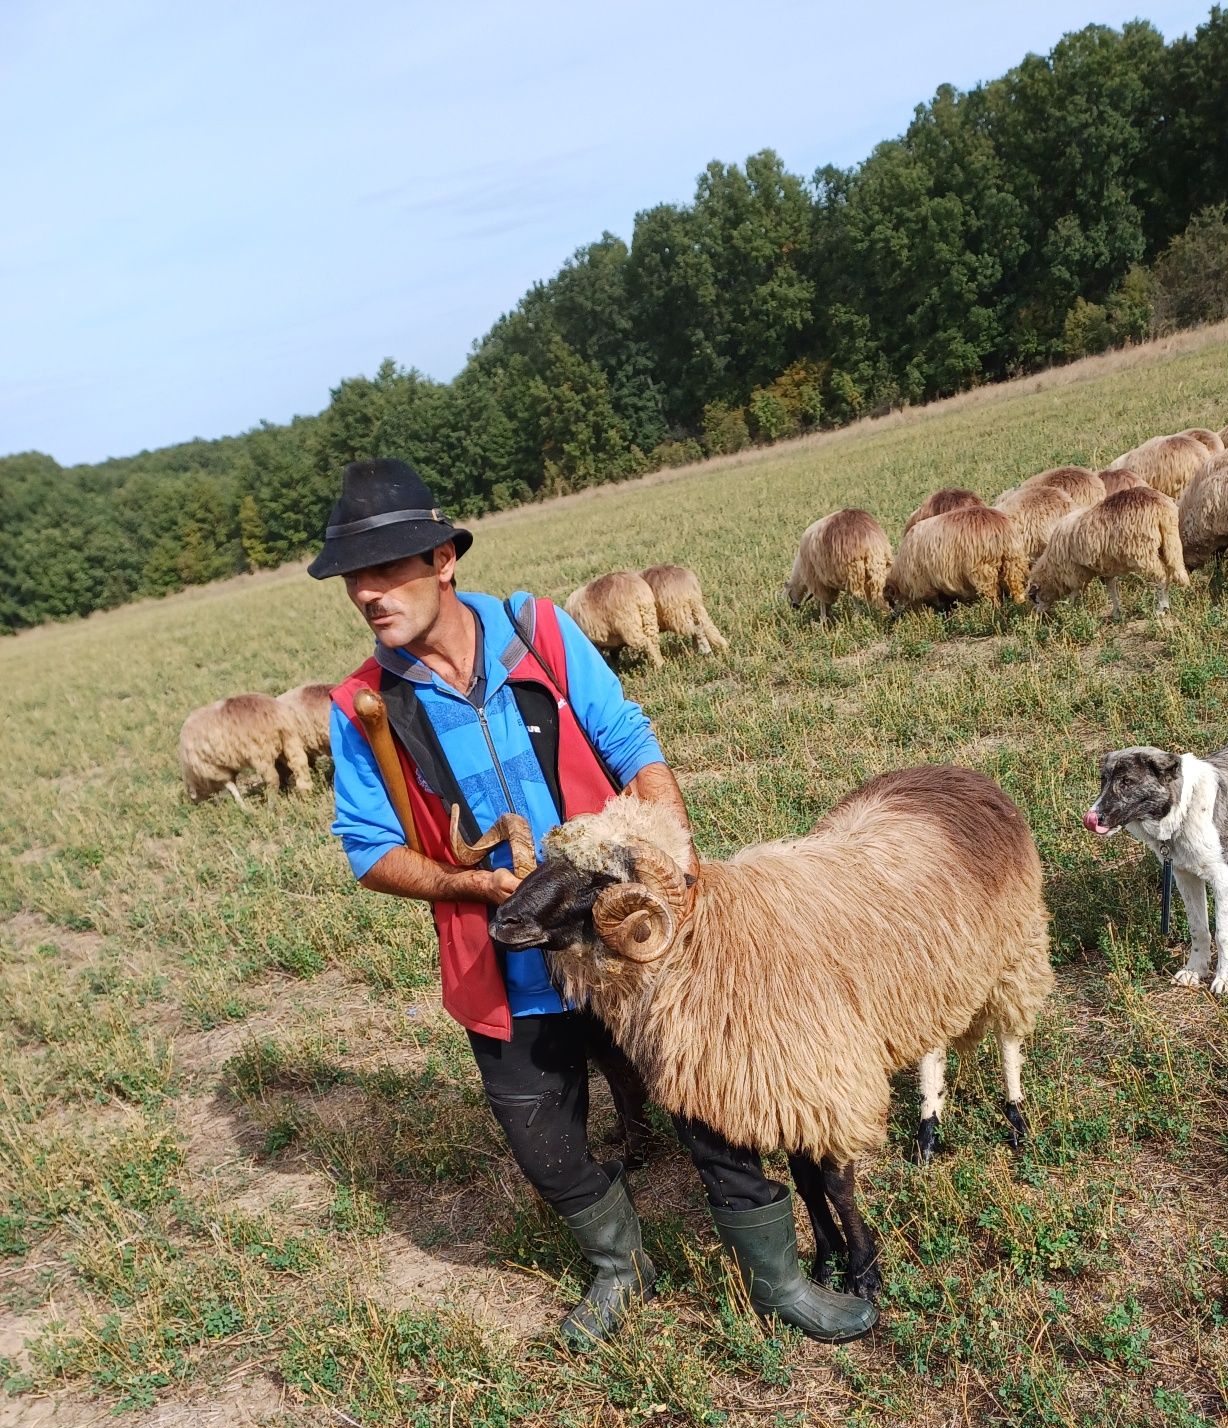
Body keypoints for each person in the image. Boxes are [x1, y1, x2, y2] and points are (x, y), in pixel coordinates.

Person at [313, 459, 874, 1346]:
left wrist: (676, 859)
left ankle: (778, 1280)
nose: (369, 596)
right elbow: (369, 850)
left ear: (441, 560)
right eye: (355, 580)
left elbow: (630, 742)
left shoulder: (537, 634)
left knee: (714, 1098)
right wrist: (466, 882)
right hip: (504, 957)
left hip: (624, 944)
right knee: (547, 1148)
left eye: (387, 571)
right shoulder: (362, 708)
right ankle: (621, 1265)